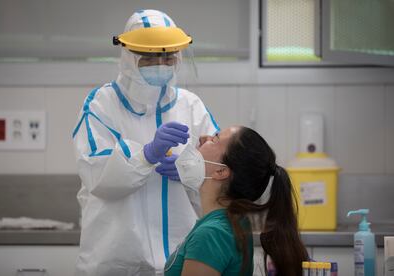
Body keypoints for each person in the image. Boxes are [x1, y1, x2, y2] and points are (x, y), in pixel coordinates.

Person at [72, 9, 219, 276]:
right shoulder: (101, 105)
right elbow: (97, 174)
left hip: (181, 258)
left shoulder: (191, 106)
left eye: (168, 56)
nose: (161, 63)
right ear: (129, 56)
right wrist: (146, 155)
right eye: (150, 56)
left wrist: (193, 171)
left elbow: (219, 170)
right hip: (115, 260)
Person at [164, 126, 309, 276]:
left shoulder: (211, 234)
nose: (202, 138)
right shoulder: (234, 222)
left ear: (220, 171)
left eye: (214, 139)